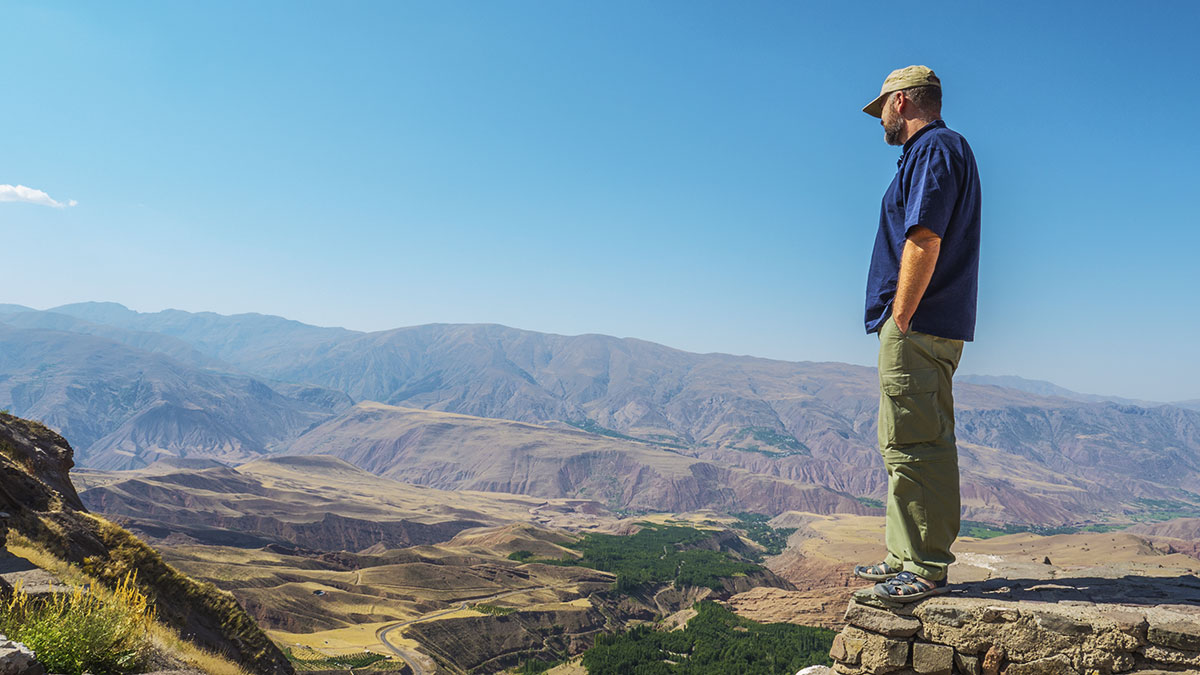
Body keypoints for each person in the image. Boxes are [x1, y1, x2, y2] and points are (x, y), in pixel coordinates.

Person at [853, 65, 982, 602]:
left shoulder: (935, 148)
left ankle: (925, 565)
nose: (878, 118)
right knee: (901, 442)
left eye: (880, 107)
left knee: (918, 444)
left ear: (901, 102)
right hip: (921, 323)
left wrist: (901, 315)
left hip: (919, 324)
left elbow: (924, 235)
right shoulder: (933, 152)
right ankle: (903, 554)